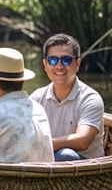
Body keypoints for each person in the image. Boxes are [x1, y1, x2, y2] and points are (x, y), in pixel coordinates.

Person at [30, 33, 105, 161]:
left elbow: (83, 140)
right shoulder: (37, 98)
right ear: (45, 64)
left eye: (66, 60)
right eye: (52, 60)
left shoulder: (90, 99)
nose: (59, 66)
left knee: (65, 155)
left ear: (77, 64)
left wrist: (44, 145)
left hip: (86, 168)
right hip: (47, 160)